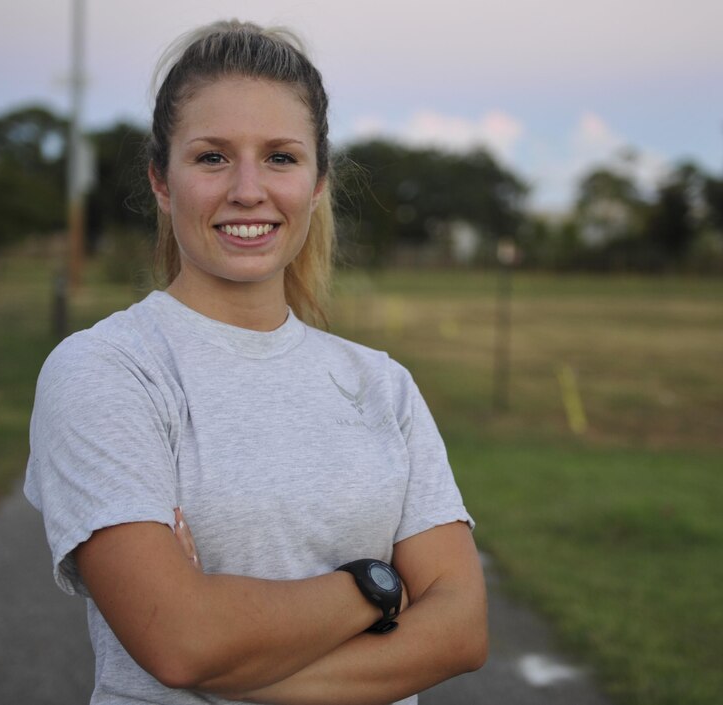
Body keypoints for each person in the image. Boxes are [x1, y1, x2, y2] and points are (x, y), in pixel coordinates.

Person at [24, 19, 487, 705]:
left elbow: (462, 628)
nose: (248, 189)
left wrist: (237, 664)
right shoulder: (108, 369)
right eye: (212, 157)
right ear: (160, 178)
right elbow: (180, 641)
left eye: (280, 157)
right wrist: (378, 585)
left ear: (318, 180)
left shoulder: (381, 384)